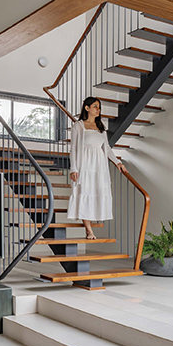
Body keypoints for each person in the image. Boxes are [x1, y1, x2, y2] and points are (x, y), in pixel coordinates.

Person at [67, 97, 127, 240]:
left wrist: (117, 162)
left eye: (99, 107)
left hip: (99, 165)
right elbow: (73, 148)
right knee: (85, 193)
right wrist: (73, 168)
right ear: (87, 108)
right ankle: (89, 230)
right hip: (84, 165)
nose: (98, 109)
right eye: (95, 106)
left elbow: (106, 147)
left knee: (97, 192)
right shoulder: (79, 126)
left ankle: (92, 223)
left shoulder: (101, 127)